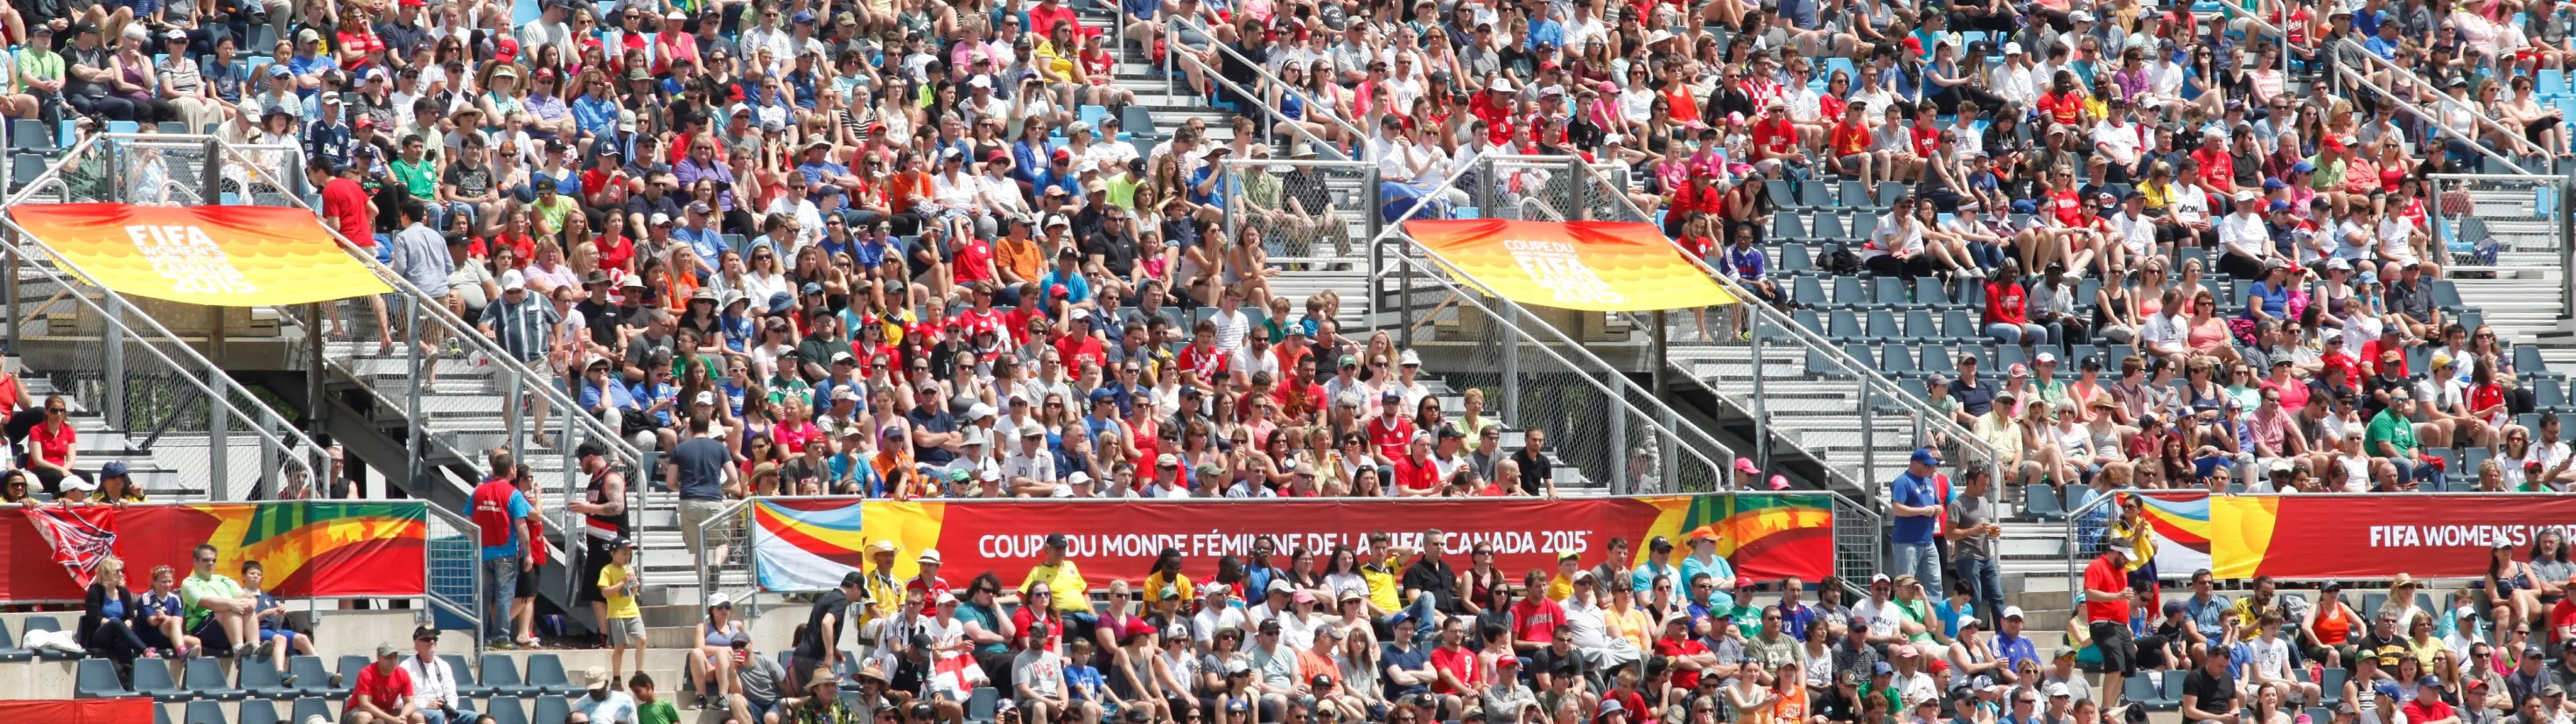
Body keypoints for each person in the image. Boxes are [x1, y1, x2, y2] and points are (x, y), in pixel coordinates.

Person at [468, 458, 539, 647]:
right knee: (503, 597)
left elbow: (467, 519)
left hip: (483, 552)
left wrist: (475, 544)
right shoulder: (513, 493)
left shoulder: (479, 491)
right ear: (511, 470)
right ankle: (500, 638)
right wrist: (528, 553)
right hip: (506, 553)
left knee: (483, 598)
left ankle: (481, 638)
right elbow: (522, 526)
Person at [2084, 538, 2138, 712]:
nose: (2127, 561)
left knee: (2127, 664)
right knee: (2115, 663)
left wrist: (2128, 624)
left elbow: (2123, 601)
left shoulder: (2121, 569)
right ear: (2115, 552)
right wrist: (2116, 596)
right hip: (2102, 622)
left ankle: (2110, 705)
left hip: (2121, 624)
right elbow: (2090, 593)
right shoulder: (2095, 566)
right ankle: (2106, 706)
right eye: (2125, 557)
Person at [178, 542, 257, 658]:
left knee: (247, 608)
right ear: (195, 561)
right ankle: (238, 650)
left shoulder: (224, 580)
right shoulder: (189, 583)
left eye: (213, 560)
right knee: (229, 609)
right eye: (206, 560)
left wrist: (252, 603)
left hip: (230, 628)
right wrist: (231, 604)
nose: (211, 563)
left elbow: (248, 597)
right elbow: (207, 602)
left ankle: (255, 648)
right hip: (203, 630)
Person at [1888, 449, 1946, 596]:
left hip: (1928, 540)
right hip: (1907, 542)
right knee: (1906, 583)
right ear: (1915, 464)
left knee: (1935, 583)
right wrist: (1922, 511)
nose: (1930, 469)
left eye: (1931, 466)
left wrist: (1938, 508)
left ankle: (1933, 618)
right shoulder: (1903, 482)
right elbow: (1897, 509)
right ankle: (1905, 616)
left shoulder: (1929, 481)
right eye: (1927, 466)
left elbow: (1934, 503)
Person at [398, 626, 473, 724]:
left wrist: (449, 714)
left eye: (435, 639)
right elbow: (399, 701)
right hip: (421, 711)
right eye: (427, 639)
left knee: (473, 717)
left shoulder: (443, 665)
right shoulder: (405, 667)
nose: (432, 642)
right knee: (437, 716)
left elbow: (452, 695)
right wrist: (425, 705)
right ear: (416, 643)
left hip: (444, 712)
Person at [601, 536, 646, 686]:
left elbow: (633, 591)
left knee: (642, 639)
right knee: (620, 647)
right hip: (617, 613)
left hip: (632, 610)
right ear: (613, 553)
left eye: (629, 554)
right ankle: (617, 677)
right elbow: (605, 592)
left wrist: (634, 584)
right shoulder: (607, 570)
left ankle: (639, 672)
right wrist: (622, 583)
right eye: (623, 553)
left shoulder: (630, 568)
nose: (627, 556)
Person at [351, 642, 426, 724]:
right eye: (388, 657)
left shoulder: (402, 673)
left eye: (395, 657)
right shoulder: (367, 673)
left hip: (387, 711)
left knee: (418, 717)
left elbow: (410, 703)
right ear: (378, 657)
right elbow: (365, 705)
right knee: (365, 717)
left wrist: (402, 716)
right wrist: (391, 720)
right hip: (359, 711)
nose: (393, 661)